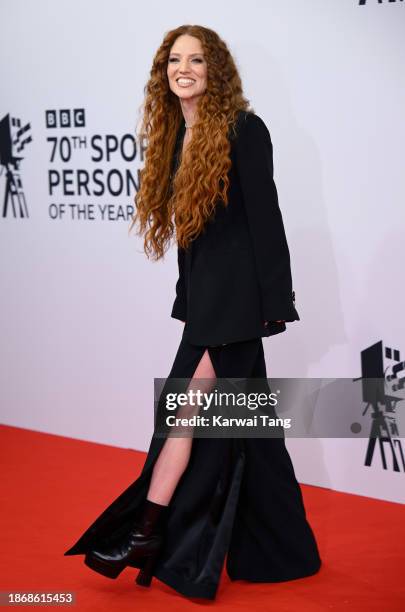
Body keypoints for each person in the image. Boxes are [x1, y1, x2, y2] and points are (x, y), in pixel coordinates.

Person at [64, 24, 322, 600]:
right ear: (164, 71)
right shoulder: (179, 132)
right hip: (208, 302)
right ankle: (284, 549)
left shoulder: (244, 129)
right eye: (175, 60)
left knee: (179, 414)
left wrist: (274, 306)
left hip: (237, 307)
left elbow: (266, 220)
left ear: (215, 70)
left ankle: (145, 534)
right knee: (251, 432)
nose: (184, 68)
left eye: (197, 59)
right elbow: (193, 239)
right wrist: (187, 299)